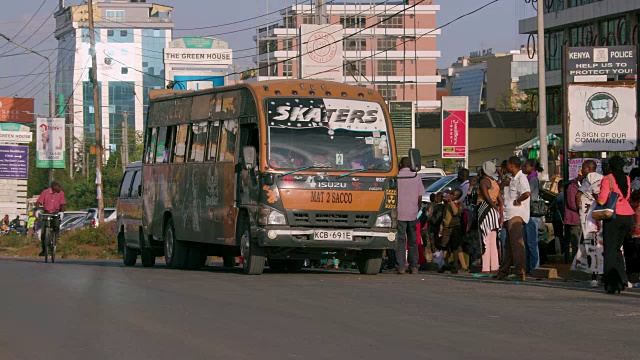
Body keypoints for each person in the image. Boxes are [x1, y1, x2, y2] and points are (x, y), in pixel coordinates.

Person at [598, 156, 633, 294]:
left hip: (613, 216)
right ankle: (623, 279)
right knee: (618, 248)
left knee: (610, 251)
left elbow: (602, 200)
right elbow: (627, 196)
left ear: (610, 166)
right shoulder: (627, 179)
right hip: (627, 216)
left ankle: (612, 284)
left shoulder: (607, 179)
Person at [496, 156, 531, 281]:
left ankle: (520, 272)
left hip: (517, 215)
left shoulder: (521, 178)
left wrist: (518, 200)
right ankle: (503, 272)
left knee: (516, 244)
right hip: (509, 215)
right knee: (508, 246)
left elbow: (526, 193)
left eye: (508, 166)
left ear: (511, 165)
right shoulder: (512, 179)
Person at [573, 162, 604, 288]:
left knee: (591, 247)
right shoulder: (603, 179)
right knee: (602, 248)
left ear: (590, 168)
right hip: (602, 219)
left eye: (584, 167)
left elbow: (578, 195)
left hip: (590, 221)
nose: (581, 170)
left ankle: (594, 277)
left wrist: (580, 211)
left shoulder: (589, 179)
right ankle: (602, 275)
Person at [396, 157, 424, 274]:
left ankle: (401, 266)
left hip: (399, 213)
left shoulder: (396, 177)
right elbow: (420, 197)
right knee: (413, 241)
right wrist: (417, 209)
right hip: (413, 213)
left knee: (400, 241)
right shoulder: (416, 177)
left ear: (401, 164)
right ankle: (414, 266)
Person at [477, 161, 503, 274]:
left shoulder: (484, 181)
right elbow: (501, 200)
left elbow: (486, 196)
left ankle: (486, 267)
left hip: (485, 210)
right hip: (494, 212)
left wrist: (493, 206)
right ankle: (495, 266)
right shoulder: (495, 183)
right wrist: (499, 211)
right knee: (493, 240)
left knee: (485, 240)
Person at [438, 189, 467, 273]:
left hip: (455, 227)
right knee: (444, 245)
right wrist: (441, 227)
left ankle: (455, 265)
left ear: (457, 196)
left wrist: (452, 203)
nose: (451, 196)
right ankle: (446, 264)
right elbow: (444, 217)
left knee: (455, 246)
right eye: (451, 194)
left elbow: (455, 212)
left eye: (453, 195)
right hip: (446, 227)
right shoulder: (446, 204)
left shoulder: (459, 204)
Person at [36, 181, 66, 256]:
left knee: (56, 224)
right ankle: (44, 249)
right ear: (54, 187)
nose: (60, 188)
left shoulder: (61, 193)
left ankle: (56, 236)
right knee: (44, 231)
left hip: (55, 212)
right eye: (59, 187)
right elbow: (39, 202)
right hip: (46, 212)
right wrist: (38, 210)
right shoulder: (45, 192)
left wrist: (61, 212)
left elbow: (62, 204)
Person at [523, 159, 541, 275]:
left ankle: (535, 267)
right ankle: (530, 267)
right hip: (527, 213)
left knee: (531, 243)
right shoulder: (530, 178)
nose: (524, 168)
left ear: (532, 168)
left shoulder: (533, 179)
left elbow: (530, 195)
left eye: (526, 166)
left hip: (531, 214)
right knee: (527, 242)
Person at [564, 173, 582, 264]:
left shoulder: (580, 186)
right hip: (573, 218)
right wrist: (581, 209)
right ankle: (575, 261)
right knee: (575, 241)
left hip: (578, 217)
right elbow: (572, 203)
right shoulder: (572, 187)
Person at [550, 181, 565, 255]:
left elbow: (552, 206)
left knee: (558, 235)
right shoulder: (565, 195)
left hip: (557, 218)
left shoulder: (559, 196)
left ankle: (559, 250)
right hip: (562, 218)